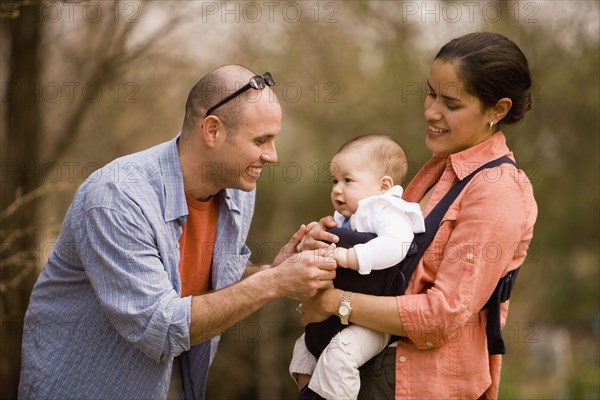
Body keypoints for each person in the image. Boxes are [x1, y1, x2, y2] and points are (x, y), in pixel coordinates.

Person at [18, 65, 336, 400]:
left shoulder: (240, 188)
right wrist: (274, 283)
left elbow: (213, 283)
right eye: (260, 140)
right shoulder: (117, 198)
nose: (273, 155)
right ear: (212, 131)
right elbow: (161, 327)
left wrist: (276, 270)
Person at [298, 32, 538, 399]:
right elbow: (393, 264)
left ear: (498, 110)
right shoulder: (439, 168)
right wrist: (334, 236)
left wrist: (335, 303)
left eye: (451, 103)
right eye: (431, 93)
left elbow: (441, 316)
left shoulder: (496, 191)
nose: (431, 111)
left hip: (419, 384)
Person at [289, 134, 425, 399]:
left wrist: (350, 257)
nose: (337, 189)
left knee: (341, 353)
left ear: (383, 185)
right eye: (335, 181)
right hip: (339, 315)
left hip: (373, 321)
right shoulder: (348, 216)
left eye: (347, 180)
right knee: (304, 347)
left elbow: (396, 245)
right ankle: (308, 390)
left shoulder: (387, 209)